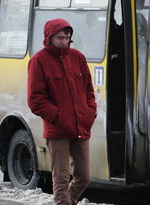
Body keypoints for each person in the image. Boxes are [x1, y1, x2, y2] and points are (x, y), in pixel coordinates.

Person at [27, 18, 97, 205]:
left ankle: (67, 201)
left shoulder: (77, 58)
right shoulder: (38, 61)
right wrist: (57, 117)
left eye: (67, 38)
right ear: (49, 38)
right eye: (60, 38)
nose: (64, 42)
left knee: (84, 176)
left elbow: (89, 90)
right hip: (57, 130)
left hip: (81, 127)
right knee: (60, 180)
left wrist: (90, 112)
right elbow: (35, 100)